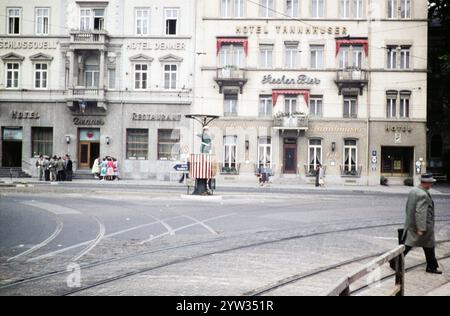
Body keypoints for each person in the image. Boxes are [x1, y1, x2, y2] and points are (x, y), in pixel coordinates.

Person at [391, 173, 441, 274]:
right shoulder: (422, 194)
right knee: (411, 244)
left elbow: (408, 207)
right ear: (426, 183)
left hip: (412, 223)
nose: (432, 185)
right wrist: (421, 228)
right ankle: (394, 261)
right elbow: (421, 212)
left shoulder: (414, 191)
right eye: (431, 183)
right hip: (423, 226)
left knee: (428, 246)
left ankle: (431, 266)